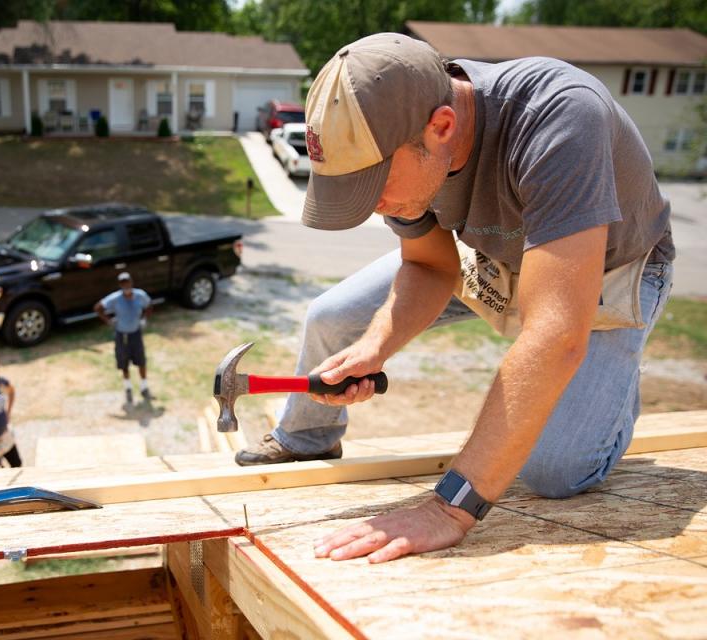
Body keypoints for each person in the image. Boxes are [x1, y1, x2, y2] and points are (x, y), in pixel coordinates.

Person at [235, 33, 674, 564]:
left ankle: (614, 385)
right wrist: (376, 344)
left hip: (609, 270)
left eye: (374, 184)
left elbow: (552, 334)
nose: (375, 207)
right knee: (334, 317)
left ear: (442, 126)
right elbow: (428, 263)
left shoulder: (559, 117)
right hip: (492, 248)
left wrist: (449, 507)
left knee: (554, 471)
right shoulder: (405, 134)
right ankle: (307, 436)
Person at [95, 272, 153, 404]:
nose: (126, 285)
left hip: (136, 333)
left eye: (127, 282)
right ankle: (128, 385)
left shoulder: (140, 295)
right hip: (122, 335)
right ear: (120, 285)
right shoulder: (115, 298)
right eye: (123, 283)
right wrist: (108, 321)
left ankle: (144, 386)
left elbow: (149, 306)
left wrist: (144, 319)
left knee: (141, 360)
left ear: (131, 282)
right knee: (123, 360)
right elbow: (98, 308)